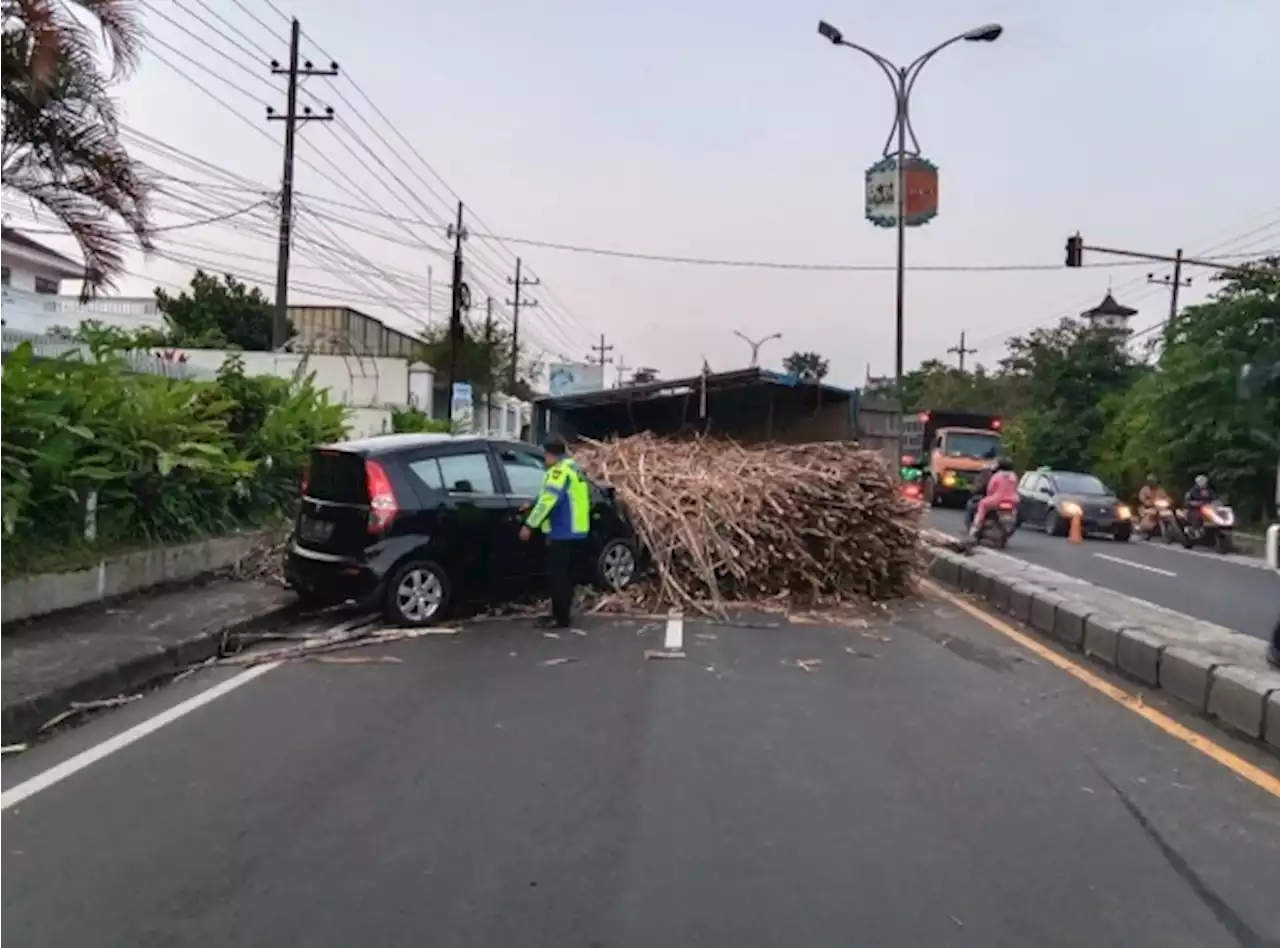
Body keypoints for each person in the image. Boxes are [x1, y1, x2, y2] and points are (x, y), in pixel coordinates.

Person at [520, 437, 590, 628]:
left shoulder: (558, 472)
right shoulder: (573, 468)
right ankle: (562, 615)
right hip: (576, 529)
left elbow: (549, 501)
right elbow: (551, 495)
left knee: (556, 575)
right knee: (565, 575)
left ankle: (561, 619)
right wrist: (532, 503)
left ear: (551, 454)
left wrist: (529, 524)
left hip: (562, 530)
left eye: (545, 455)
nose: (544, 459)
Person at [970, 456, 1019, 538]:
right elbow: (1015, 487)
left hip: (997, 499)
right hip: (1013, 500)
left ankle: (977, 524)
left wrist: (990, 495)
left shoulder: (997, 475)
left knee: (982, 504)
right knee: (1015, 511)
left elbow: (990, 488)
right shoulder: (1013, 476)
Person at [964, 460, 998, 530]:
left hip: (987, 498)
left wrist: (973, 489)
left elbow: (978, 488)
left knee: (970, 505)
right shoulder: (999, 477)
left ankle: (973, 525)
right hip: (996, 499)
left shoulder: (984, 477)